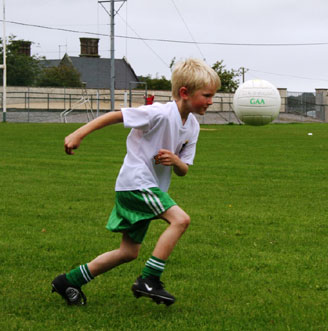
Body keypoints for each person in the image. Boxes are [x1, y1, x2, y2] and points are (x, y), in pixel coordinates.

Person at [51, 58, 221, 307]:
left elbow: (184, 170)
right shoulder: (160, 113)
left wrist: (175, 161)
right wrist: (78, 133)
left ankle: (68, 281)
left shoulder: (192, 126)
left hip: (147, 187)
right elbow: (116, 115)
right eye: (206, 95)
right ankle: (150, 279)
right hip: (136, 183)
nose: (210, 101)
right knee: (180, 219)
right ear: (185, 93)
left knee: (128, 252)